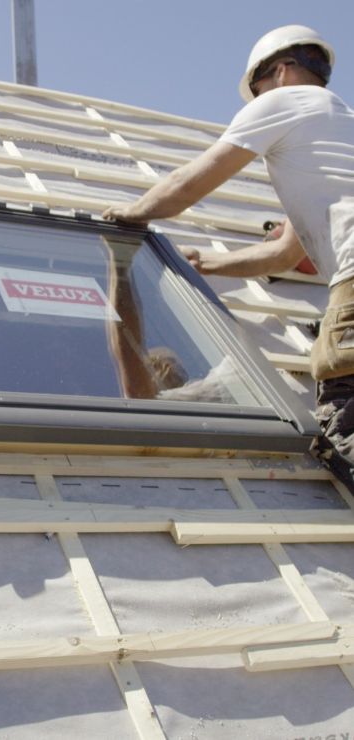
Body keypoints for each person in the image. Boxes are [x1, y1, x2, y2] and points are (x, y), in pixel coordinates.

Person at [102, 25, 354, 475]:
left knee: (346, 426)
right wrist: (207, 263)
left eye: (255, 92)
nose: (255, 102)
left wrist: (130, 217)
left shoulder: (284, 102)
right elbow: (281, 256)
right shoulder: (335, 136)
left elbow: (190, 182)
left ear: (278, 72)